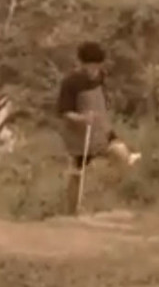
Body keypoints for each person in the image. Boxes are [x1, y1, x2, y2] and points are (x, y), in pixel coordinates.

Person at [55, 41, 141, 215]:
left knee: (119, 151)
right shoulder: (71, 83)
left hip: (100, 130)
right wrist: (82, 118)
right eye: (90, 66)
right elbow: (64, 112)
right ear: (81, 64)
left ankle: (111, 195)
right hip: (78, 136)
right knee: (76, 173)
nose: (93, 70)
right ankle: (71, 212)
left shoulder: (101, 76)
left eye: (97, 66)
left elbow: (101, 98)